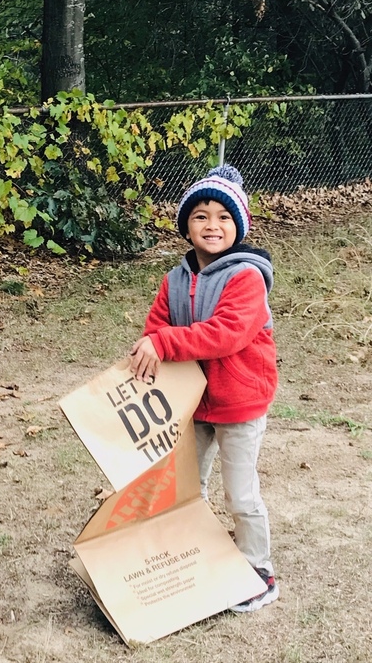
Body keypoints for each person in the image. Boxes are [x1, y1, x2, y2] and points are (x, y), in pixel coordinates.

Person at [129, 164, 279, 612]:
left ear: (239, 226)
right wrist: (149, 344)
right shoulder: (175, 278)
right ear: (185, 225)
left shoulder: (247, 278)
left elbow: (224, 334)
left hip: (239, 402)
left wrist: (163, 342)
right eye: (200, 216)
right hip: (191, 403)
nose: (212, 226)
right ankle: (189, 558)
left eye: (223, 217)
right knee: (185, 486)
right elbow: (157, 323)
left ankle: (258, 571)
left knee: (241, 492)